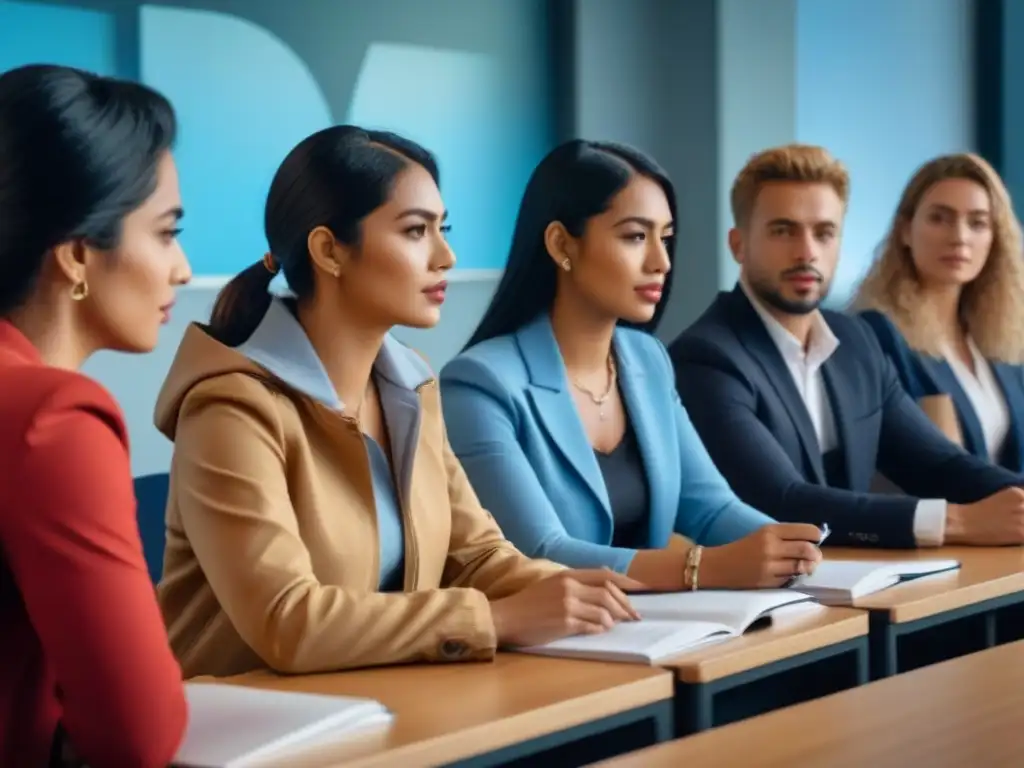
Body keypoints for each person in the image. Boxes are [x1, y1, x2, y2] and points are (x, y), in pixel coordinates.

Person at [155, 126, 642, 679]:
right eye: (415, 231)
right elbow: (287, 622)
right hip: (244, 736)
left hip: (372, 707)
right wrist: (495, 619)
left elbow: (477, 555)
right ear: (329, 250)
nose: (446, 256)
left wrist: (579, 595)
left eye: (443, 229)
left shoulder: (410, 386)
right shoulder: (231, 411)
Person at [439, 139, 823, 592]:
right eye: (635, 237)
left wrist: (790, 549)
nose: (661, 262)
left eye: (665, 238)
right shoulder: (479, 384)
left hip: (655, 630)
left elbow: (709, 507)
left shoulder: (647, 359)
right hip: (548, 645)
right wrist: (705, 568)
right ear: (562, 243)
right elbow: (542, 552)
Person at [668, 144, 1024, 550]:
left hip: (863, 591)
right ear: (738, 245)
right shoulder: (705, 357)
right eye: (783, 230)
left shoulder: (856, 343)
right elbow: (781, 500)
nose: (807, 252)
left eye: (824, 232)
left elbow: (938, 463)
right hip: (758, 602)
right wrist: (957, 522)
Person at [0, 65, 190, 767]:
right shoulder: (53, 418)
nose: (181, 268)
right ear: (78, 252)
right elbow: (137, 734)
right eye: (166, 233)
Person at [852, 153, 1024, 473]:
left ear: (994, 238)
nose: (959, 237)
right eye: (939, 218)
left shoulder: (1003, 341)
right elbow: (931, 467)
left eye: (977, 223)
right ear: (905, 230)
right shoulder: (877, 334)